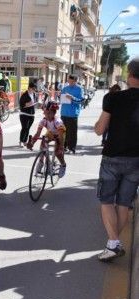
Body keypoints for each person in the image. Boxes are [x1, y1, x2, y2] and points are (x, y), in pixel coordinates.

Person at [94, 57, 139, 262]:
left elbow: (99, 129)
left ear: (129, 75)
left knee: (106, 201)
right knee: (123, 204)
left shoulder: (114, 98)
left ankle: (113, 243)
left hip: (112, 158)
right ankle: (113, 243)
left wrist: (98, 125)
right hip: (136, 161)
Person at [27, 101, 67, 178]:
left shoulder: (57, 122)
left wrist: (61, 146)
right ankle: (42, 162)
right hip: (51, 133)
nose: (47, 115)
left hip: (60, 134)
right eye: (45, 113)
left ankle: (63, 165)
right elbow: (37, 134)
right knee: (43, 143)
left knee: (58, 152)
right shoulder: (43, 121)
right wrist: (32, 142)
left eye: (49, 113)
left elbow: (60, 136)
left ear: (54, 113)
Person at [60, 74, 84, 154]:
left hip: (73, 114)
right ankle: (64, 147)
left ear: (75, 81)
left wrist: (72, 98)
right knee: (63, 131)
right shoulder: (65, 88)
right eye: (68, 81)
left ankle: (72, 148)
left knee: (72, 132)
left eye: (71, 81)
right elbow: (61, 98)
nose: (69, 82)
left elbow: (81, 101)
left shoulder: (79, 89)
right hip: (64, 113)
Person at [18, 82, 37, 148]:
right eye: (33, 88)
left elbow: (34, 103)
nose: (34, 90)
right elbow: (21, 105)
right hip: (24, 114)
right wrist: (28, 104)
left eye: (35, 88)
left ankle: (24, 141)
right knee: (24, 128)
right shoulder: (24, 95)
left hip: (31, 114)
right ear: (29, 88)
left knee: (28, 128)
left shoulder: (34, 94)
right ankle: (21, 141)